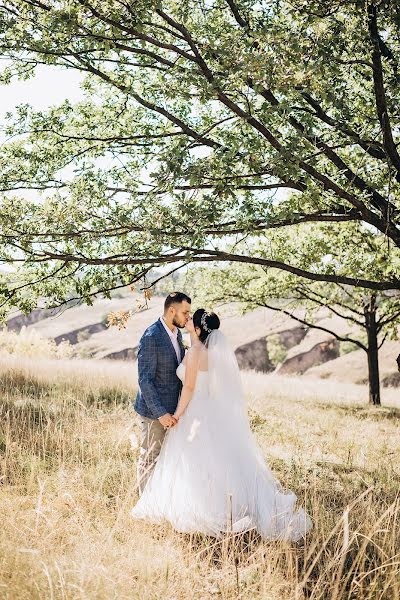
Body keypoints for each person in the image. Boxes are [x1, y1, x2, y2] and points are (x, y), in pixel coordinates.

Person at [132, 308, 312, 541]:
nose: (186, 322)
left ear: (197, 329)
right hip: (209, 411)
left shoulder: (195, 353)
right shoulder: (213, 353)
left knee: (195, 463)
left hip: (192, 412)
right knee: (216, 461)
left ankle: (205, 507)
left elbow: (188, 388)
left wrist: (176, 415)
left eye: (190, 321)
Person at [134, 292, 191, 494]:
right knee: (149, 458)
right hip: (154, 413)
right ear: (172, 310)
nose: (188, 317)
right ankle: (144, 504)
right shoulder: (152, 336)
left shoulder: (178, 334)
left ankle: (159, 501)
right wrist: (161, 413)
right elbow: (145, 380)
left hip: (174, 411)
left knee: (167, 459)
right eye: (185, 312)